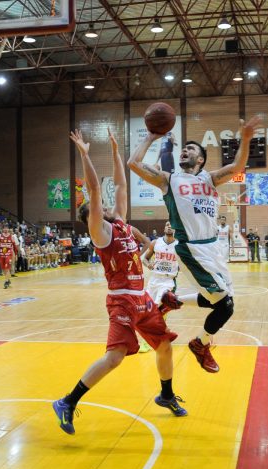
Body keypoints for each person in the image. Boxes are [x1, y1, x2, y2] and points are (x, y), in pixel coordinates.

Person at [52, 129, 184, 436]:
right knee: (115, 358)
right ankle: (67, 402)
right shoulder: (101, 233)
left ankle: (166, 394)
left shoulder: (122, 224)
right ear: (94, 216)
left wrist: (114, 151)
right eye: (101, 208)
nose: (108, 208)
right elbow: (95, 190)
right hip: (122, 300)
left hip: (142, 298)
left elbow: (122, 185)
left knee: (164, 346)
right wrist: (85, 154)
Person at [128, 115, 263, 373]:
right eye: (184, 148)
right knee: (224, 306)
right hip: (191, 248)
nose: (185, 151)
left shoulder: (209, 179)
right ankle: (200, 344)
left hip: (214, 249)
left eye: (191, 149)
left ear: (200, 159)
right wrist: (150, 137)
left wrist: (245, 139)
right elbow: (133, 163)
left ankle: (172, 300)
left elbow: (237, 167)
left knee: (222, 301)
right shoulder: (169, 180)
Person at [140, 221, 181, 353]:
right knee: (148, 310)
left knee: (158, 308)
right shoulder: (155, 243)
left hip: (168, 281)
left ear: (175, 229)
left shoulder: (179, 245)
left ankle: (151, 340)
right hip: (154, 280)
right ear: (164, 228)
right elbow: (144, 258)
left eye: (172, 225)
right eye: (167, 225)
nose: (169, 226)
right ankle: (157, 335)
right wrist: (148, 265)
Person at [0, 224, 17, 289]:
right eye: (4, 228)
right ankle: (8, 279)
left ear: (8, 229)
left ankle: (6, 281)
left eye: (7, 228)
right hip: (1, 254)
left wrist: (15, 255)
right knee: (3, 269)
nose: (5, 229)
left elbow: (14, 247)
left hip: (9, 254)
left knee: (7, 268)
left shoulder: (12, 236)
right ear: (2, 229)